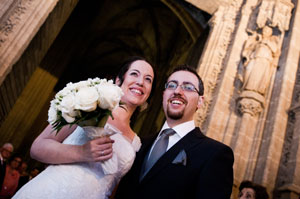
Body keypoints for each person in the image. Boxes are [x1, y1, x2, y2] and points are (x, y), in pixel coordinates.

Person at [13, 56, 155, 199]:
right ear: (118, 80)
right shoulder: (89, 106)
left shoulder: (136, 142)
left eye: (148, 79)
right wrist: (81, 152)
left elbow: (113, 188)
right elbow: (37, 147)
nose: (140, 82)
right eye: (134, 74)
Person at [115, 65, 234, 199]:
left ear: (200, 102)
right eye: (171, 85)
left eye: (188, 87)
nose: (177, 91)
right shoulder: (139, 144)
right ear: (163, 95)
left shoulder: (215, 153)